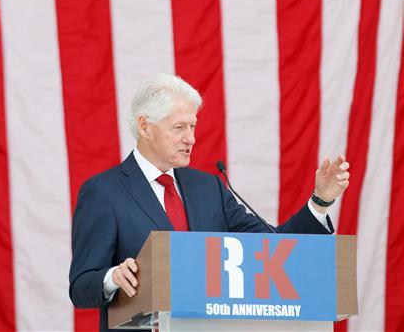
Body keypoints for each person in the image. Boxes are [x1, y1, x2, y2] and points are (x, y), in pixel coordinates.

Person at [69, 73, 350, 332]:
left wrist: (320, 201)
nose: (190, 138)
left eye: (192, 126)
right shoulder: (103, 192)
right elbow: (81, 286)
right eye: (179, 127)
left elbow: (276, 251)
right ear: (144, 126)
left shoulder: (208, 187)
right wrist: (112, 278)